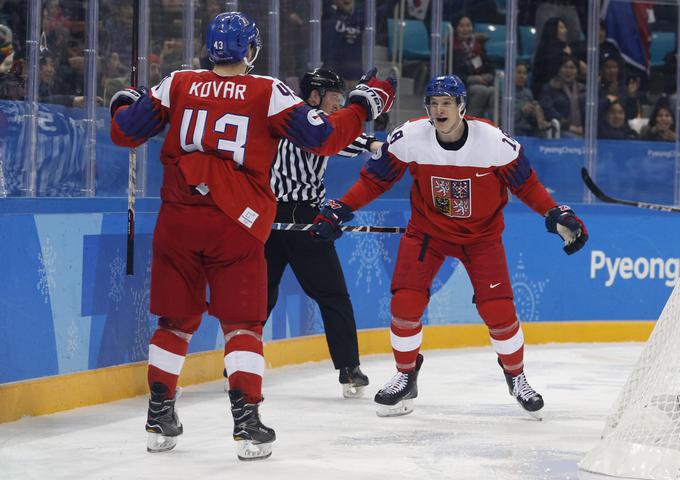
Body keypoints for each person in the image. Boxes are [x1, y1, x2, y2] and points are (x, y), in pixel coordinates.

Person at [109, 11, 395, 460]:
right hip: (235, 224)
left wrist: (122, 102)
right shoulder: (267, 90)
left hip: (178, 223)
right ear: (251, 50)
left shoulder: (178, 82)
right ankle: (246, 423)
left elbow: (124, 131)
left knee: (174, 322)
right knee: (243, 323)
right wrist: (363, 105)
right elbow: (323, 137)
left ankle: (159, 414)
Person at [311, 75, 588, 419]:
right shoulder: (411, 137)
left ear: (461, 107)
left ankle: (517, 378)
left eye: (446, 103)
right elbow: (375, 180)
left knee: (498, 311)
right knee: (405, 302)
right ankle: (405, 374)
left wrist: (555, 211)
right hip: (429, 233)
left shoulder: (493, 142)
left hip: (482, 238)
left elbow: (526, 185)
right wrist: (342, 207)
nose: (439, 110)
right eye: (433, 103)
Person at [267, 68, 382, 399]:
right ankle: (348, 368)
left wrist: (367, 135)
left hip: (272, 219)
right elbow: (338, 136)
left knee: (261, 293)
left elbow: (340, 132)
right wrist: (373, 142)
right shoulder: (313, 122)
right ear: (315, 95)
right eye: (335, 97)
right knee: (332, 296)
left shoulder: (284, 117)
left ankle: (237, 362)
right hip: (303, 220)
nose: (339, 104)